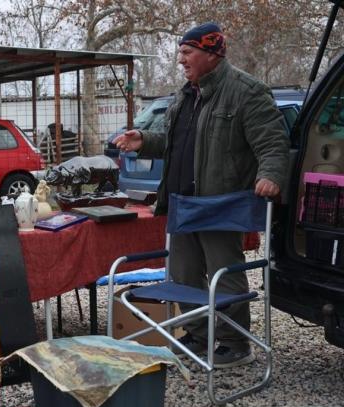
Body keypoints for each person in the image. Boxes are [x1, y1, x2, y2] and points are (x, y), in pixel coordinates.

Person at [113, 23, 288, 368]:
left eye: (187, 52)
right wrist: (144, 140)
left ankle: (235, 342)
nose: (181, 60)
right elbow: (177, 142)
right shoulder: (186, 93)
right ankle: (198, 334)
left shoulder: (246, 91)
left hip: (221, 204)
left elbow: (273, 142)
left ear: (212, 53)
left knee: (226, 273)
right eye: (180, 52)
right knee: (183, 273)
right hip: (183, 202)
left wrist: (270, 175)